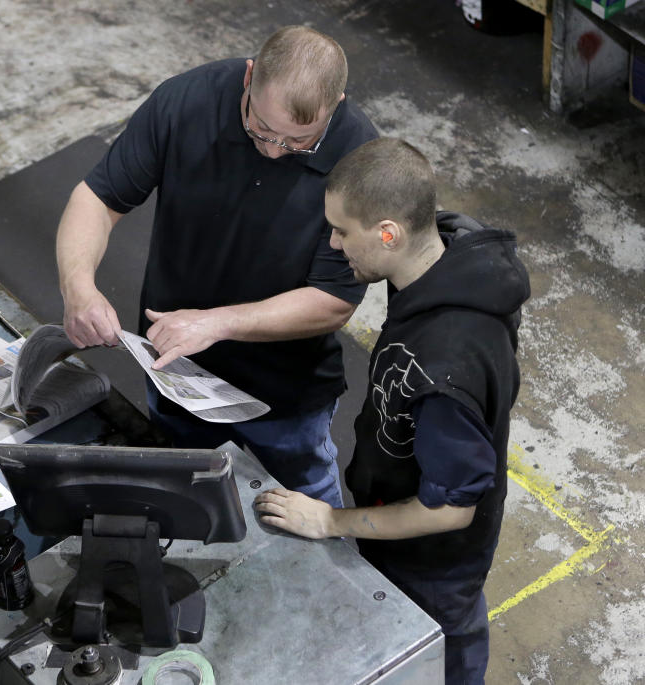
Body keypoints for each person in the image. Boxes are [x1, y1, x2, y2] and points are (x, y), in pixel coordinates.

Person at [55, 26, 378, 507]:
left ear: (337, 103)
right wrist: (78, 287)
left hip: (284, 396)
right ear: (249, 78)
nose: (273, 150)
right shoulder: (187, 102)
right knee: (188, 501)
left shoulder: (361, 160)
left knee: (304, 504)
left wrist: (217, 323)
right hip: (176, 373)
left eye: (297, 142)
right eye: (261, 130)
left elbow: (332, 301)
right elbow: (98, 198)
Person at [253, 137, 530, 684]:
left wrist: (330, 521)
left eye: (342, 231)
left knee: (440, 648)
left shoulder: (443, 370)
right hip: (412, 512)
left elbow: (450, 509)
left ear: (388, 233)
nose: (333, 245)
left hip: (432, 560)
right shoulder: (445, 253)